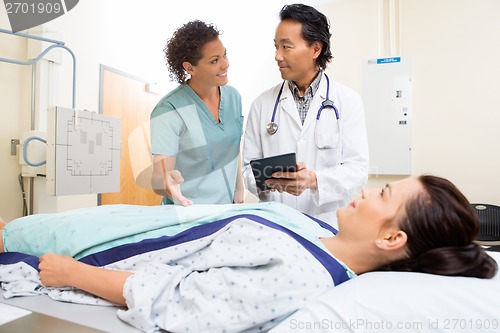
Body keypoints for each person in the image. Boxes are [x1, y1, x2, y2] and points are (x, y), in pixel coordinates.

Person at [4, 175, 492, 332]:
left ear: (392, 239)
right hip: (144, 223)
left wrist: (74, 273)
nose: (365, 193)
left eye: (383, 195)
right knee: (17, 227)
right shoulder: (319, 230)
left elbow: (176, 300)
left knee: (14, 238)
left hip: (106, 255)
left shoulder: (299, 277)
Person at [242, 4, 369, 228]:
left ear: (315, 50)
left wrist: (313, 180)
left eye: (286, 47)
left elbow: (357, 170)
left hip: (328, 225)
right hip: (277, 224)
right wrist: (271, 181)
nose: (277, 56)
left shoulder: (348, 101)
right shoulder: (262, 105)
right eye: (276, 46)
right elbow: (247, 170)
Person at [150, 20, 245, 206]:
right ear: (189, 68)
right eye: (214, 61)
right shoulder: (169, 110)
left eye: (224, 55)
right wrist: (167, 182)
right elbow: (158, 178)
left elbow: (233, 145)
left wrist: (239, 187)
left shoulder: (234, 97)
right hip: (187, 213)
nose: (225, 65)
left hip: (226, 212)